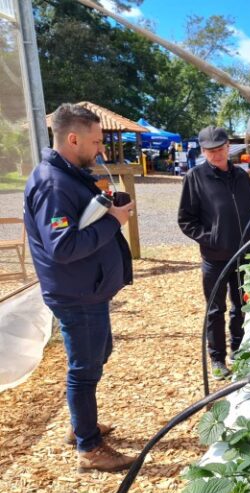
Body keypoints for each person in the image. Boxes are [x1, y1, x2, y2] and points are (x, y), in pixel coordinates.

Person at [24, 103, 136, 472]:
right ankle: (89, 446)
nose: (101, 149)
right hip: (76, 292)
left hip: (89, 288)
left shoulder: (69, 174)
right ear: (72, 139)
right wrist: (114, 222)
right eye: (96, 141)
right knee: (84, 367)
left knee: (98, 353)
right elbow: (63, 246)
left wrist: (106, 206)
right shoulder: (53, 183)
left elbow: (76, 222)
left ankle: (81, 422)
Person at [178, 126, 250, 379]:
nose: (216, 154)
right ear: (203, 151)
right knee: (216, 310)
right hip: (215, 258)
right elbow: (186, 220)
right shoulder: (195, 177)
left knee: (242, 305)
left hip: (244, 256)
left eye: (220, 149)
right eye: (210, 150)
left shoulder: (242, 176)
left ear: (229, 148)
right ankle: (217, 358)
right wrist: (211, 238)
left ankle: (240, 349)